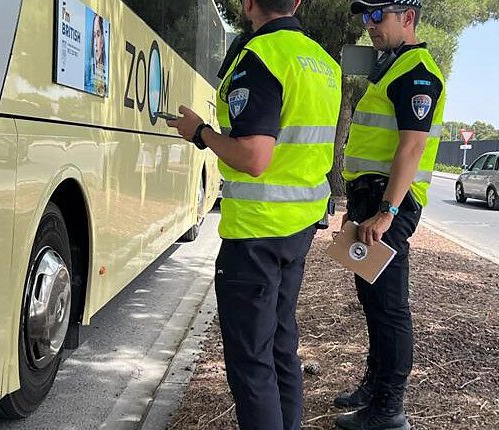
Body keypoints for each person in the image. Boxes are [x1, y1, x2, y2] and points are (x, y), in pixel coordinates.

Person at [166, 0, 341, 428]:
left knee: (251, 364)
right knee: (281, 348)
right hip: (298, 229)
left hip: (256, 233)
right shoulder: (324, 63)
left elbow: (253, 157)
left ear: (247, 4)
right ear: (297, 2)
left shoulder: (260, 57)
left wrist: (201, 134)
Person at [333, 1, 446, 429]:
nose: (370, 25)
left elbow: (411, 147)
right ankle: (375, 386)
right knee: (371, 299)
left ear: (408, 18)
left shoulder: (416, 71)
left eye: (378, 16)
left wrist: (386, 212)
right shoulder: (391, 66)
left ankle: (389, 408)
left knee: (389, 306)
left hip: (389, 203)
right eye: (365, 17)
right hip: (372, 198)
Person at [86, 14, 107, 96]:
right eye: (94, 36)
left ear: (103, 39)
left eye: (98, 35)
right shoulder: (90, 80)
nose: (95, 43)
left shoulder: (106, 79)